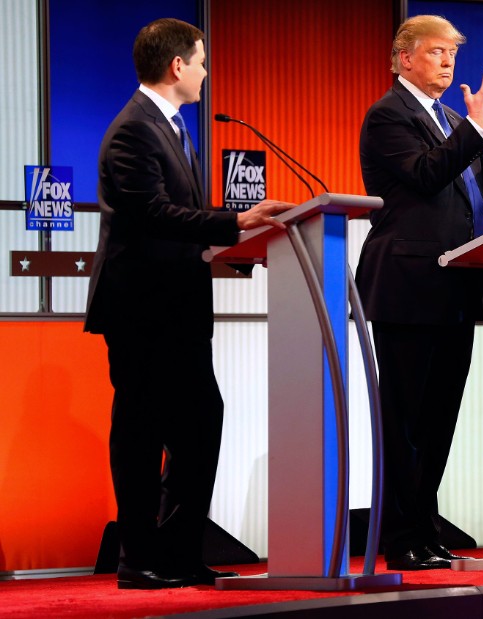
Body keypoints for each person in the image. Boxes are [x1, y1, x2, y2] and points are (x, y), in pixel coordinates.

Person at [84, 18, 293, 589]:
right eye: (200, 62)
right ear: (178, 66)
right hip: (141, 311)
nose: (204, 72)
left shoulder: (172, 128)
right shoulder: (135, 130)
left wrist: (246, 247)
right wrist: (234, 220)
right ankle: (138, 559)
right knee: (142, 433)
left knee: (200, 424)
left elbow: (179, 228)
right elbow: (150, 215)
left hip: (177, 308)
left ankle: (176, 551)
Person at [354, 14, 483, 571]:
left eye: (452, 54)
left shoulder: (442, 117)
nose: (448, 62)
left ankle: (424, 527)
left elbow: (480, 179)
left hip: (456, 285)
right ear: (404, 57)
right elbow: (425, 175)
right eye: (437, 52)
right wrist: (476, 125)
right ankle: (400, 535)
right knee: (406, 420)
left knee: (440, 419)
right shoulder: (389, 115)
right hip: (409, 286)